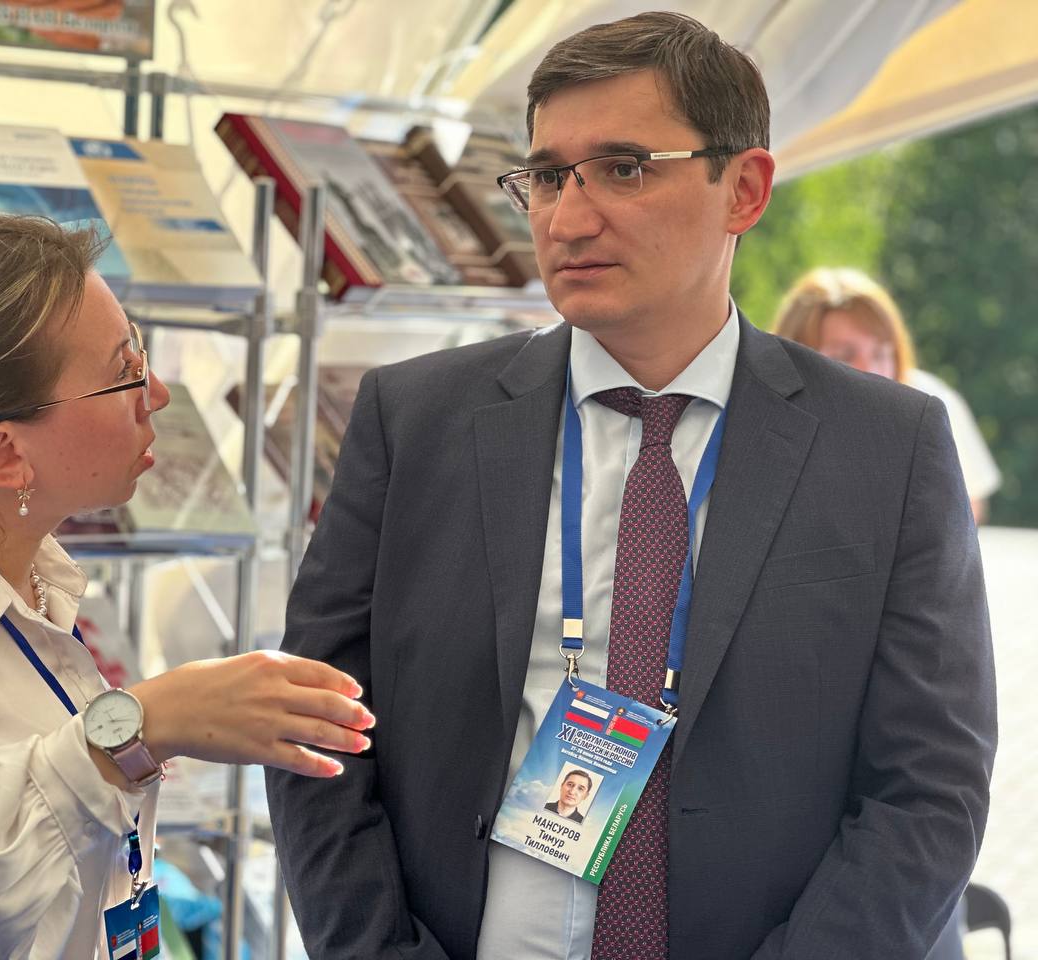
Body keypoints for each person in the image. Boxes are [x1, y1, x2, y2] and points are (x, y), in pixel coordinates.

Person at [266, 12, 995, 960]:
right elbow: (316, 730)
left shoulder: (886, 449)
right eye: (548, 177)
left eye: (624, 168)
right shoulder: (415, 423)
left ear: (744, 188)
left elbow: (930, 789)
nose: (569, 219)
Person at [0, 215, 375, 959]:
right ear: (6, 456)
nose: (158, 394)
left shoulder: (33, 584)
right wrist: (138, 729)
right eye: (124, 372)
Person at [773, 266, 1003, 523]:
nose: (869, 371)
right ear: (794, 359)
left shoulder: (930, 403)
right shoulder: (763, 426)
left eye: (880, 354)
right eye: (844, 356)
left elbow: (967, 505)